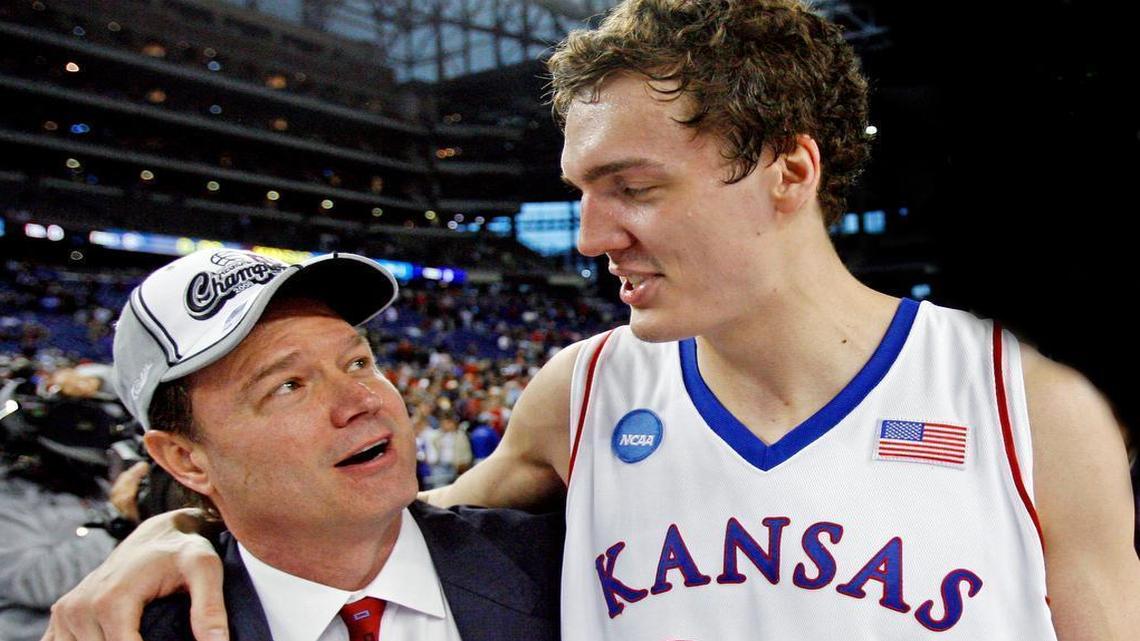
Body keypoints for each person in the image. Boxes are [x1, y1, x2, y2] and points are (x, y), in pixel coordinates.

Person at [43, 1, 1138, 640]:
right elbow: (375, 536)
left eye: (634, 186)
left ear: (789, 168)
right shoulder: (581, 390)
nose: (585, 234)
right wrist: (179, 528)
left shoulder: (1027, 405)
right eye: (576, 188)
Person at [70, 248, 561, 641]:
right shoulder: (143, 628)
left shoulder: (566, 569)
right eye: (288, 386)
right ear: (185, 459)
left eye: (357, 363)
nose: (362, 401)